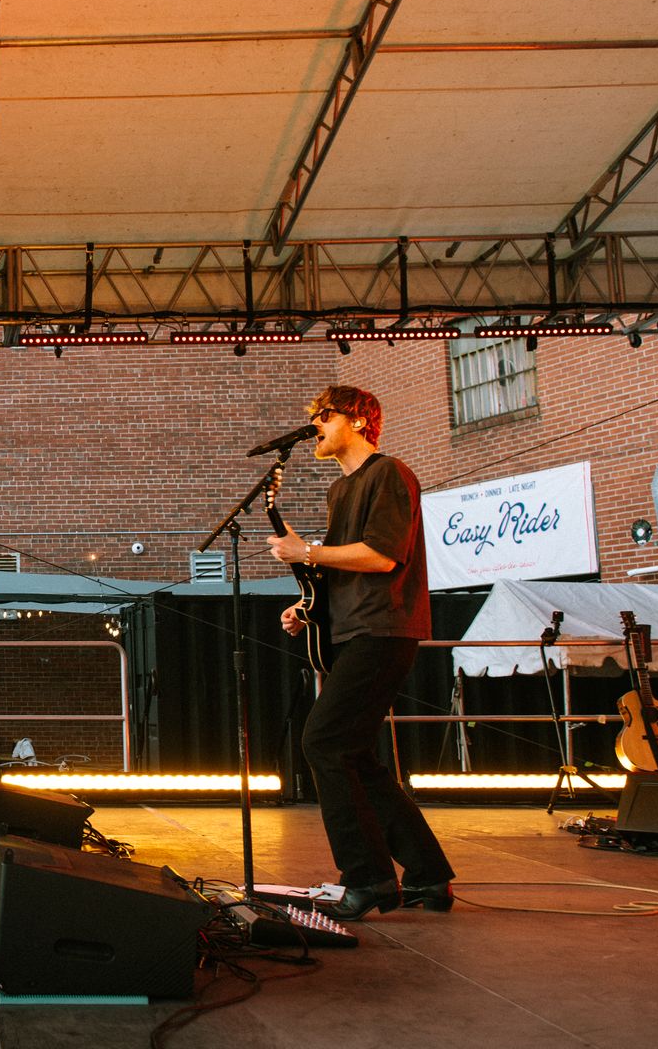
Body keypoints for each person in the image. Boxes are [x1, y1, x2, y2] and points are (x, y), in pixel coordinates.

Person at [268, 385, 455, 921]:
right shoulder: (339, 491)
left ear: (357, 420)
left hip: (384, 631)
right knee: (355, 756)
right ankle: (429, 876)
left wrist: (307, 550)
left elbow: (380, 557)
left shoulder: (389, 474)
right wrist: (307, 608)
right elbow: (340, 568)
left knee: (323, 742)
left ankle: (370, 879)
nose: (315, 425)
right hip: (353, 631)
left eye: (323, 416)